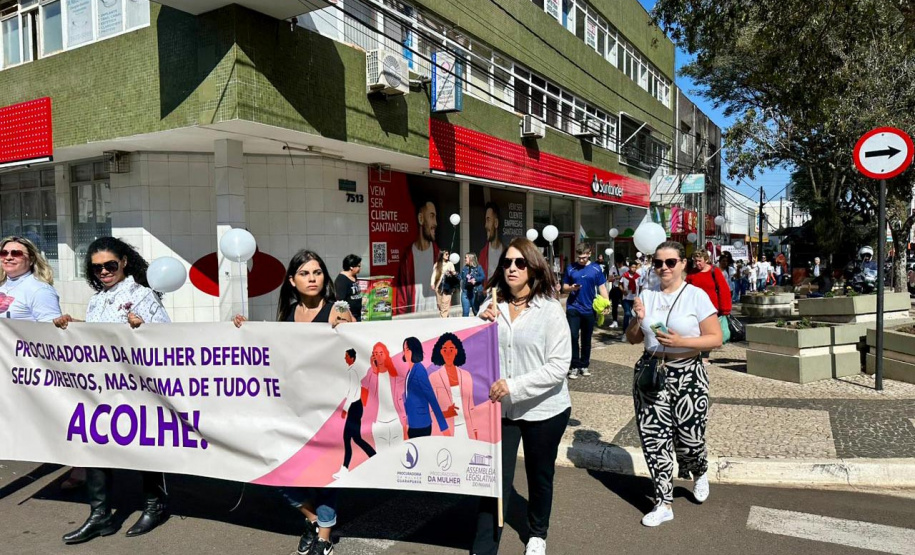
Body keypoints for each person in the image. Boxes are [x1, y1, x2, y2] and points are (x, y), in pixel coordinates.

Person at [233, 249, 352, 555]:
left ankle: (324, 539)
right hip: (293, 408)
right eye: (304, 273)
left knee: (326, 476)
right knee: (280, 470)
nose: (312, 279)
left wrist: (348, 326)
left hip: (329, 408)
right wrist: (245, 330)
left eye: (317, 272)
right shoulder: (287, 314)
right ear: (292, 280)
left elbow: (355, 353)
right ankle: (314, 521)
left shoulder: (337, 310)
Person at [53, 237, 171, 544]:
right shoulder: (97, 298)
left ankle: (154, 505)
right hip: (103, 386)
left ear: (124, 262)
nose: (104, 271)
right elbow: (97, 333)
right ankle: (100, 516)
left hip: (137, 386)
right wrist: (73, 324)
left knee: (146, 445)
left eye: (110, 265)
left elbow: (167, 339)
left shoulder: (143, 295)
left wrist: (142, 326)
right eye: (97, 268)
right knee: (95, 444)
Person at [473, 237, 572, 555]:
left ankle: (537, 533)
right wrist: (479, 323)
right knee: (493, 478)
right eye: (507, 263)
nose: (512, 268)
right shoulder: (490, 306)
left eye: (520, 263)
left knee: (539, 474)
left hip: (545, 409)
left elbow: (558, 367)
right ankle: (485, 545)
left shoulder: (550, 310)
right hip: (502, 410)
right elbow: (473, 352)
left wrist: (514, 385)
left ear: (533, 267)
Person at [625, 241, 722, 527]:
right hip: (652, 372)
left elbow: (715, 338)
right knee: (655, 439)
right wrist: (636, 319)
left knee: (690, 440)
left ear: (682, 264)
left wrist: (682, 342)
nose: (663, 268)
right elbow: (633, 338)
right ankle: (663, 502)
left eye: (670, 262)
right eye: (658, 263)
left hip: (688, 372)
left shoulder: (697, 296)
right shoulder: (647, 295)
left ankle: (699, 470)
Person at [562, 243, 609, 380]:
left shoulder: (596, 268)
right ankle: (574, 366)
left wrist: (607, 305)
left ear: (589, 254)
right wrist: (571, 288)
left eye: (583, 257)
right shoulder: (571, 268)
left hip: (589, 308)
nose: (581, 260)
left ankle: (584, 365)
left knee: (586, 339)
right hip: (573, 307)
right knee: (573, 336)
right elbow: (564, 287)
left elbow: (602, 288)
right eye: (579, 257)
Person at [333, 349, 376, 480]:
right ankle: (374, 457)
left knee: (347, 438)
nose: (345, 358)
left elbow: (353, 391)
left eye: (346, 356)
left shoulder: (352, 372)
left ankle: (345, 468)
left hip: (354, 407)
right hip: (356, 407)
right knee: (356, 438)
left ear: (351, 358)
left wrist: (345, 408)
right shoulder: (352, 371)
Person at [429, 332, 480, 439]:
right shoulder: (434, 378)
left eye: (451, 349)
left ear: (456, 351)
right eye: (445, 350)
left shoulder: (466, 376)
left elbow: (471, 408)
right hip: (444, 432)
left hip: (466, 430)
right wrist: (446, 413)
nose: (448, 353)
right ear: (440, 352)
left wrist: (475, 433)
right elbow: (429, 412)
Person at [686, 250, 733, 366]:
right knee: (696, 332)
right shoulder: (692, 273)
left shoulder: (714, 271)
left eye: (699, 261)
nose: (697, 264)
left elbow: (723, 289)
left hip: (711, 308)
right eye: (695, 261)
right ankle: (695, 354)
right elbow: (686, 289)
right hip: (695, 307)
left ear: (706, 260)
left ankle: (704, 357)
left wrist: (725, 308)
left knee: (708, 333)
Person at [0, 236, 61, 322]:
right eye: (4, 253)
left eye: (16, 253)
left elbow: (50, 330)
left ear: (31, 259)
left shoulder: (40, 290)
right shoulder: (2, 284)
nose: (8, 257)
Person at [394, 198, 439, 315]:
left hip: (438, 319)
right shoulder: (407, 258)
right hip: (415, 321)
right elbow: (401, 297)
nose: (435, 223)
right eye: (432, 216)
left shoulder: (439, 255)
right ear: (421, 219)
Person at [402, 336, 449, 438]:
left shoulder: (419, 370)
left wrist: (443, 426)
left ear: (415, 350)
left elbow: (431, 397)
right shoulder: (410, 371)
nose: (405, 352)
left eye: (407, 349)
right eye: (404, 349)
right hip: (413, 421)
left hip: (421, 424)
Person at [363, 342, 407, 451]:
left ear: (386, 354)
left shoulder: (394, 373)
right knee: (381, 457)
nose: (379, 356)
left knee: (398, 454)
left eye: (381, 353)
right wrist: (373, 371)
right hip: (378, 423)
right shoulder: (371, 373)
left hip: (395, 421)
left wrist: (405, 422)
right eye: (376, 353)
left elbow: (402, 398)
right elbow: (367, 391)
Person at [479, 202, 504, 279]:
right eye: (485, 221)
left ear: (496, 223)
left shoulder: (506, 252)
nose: (485, 225)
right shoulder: (482, 254)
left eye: (488, 220)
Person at [335, 254, 363, 321]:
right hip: (349, 316)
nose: (360, 268)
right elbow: (341, 302)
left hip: (357, 314)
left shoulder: (354, 276)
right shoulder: (342, 280)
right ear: (351, 267)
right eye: (358, 266)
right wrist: (350, 316)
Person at [432, 249, 457, 318]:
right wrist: (432, 283)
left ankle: (443, 320)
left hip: (448, 285)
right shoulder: (437, 264)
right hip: (438, 285)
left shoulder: (450, 264)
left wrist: (451, 272)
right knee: (440, 304)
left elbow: (454, 274)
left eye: (448, 254)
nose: (448, 255)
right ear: (442, 255)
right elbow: (434, 274)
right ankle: (445, 317)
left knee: (445, 304)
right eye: (446, 254)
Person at [460, 253, 486, 317]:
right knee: (465, 313)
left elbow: (483, 277)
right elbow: (461, 277)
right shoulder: (464, 268)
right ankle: (465, 326)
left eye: (466, 257)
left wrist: (475, 279)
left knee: (476, 311)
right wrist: (454, 274)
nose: (465, 259)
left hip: (475, 292)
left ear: (471, 258)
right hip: (465, 292)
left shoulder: (478, 267)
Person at [619, 260, 641, 337]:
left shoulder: (638, 277)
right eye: (632, 267)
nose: (633, 269)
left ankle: (633, 331)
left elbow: (640, 286)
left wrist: (640, 296)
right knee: (627, 313)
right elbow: (620, 284)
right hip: (626, 298)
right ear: (629, 267)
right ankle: (624, 332)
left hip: (634, 298)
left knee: (634, 315)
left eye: (635, 267)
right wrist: (622, 290)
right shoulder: (625, 275)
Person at [607, 258, 623, 328]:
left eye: (620, 263)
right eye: (618, 263)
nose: (619, 265)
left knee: (626, 306)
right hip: (615, 288)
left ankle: (628, 320)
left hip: (623, 289)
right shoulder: (613, 268)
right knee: (614, 305)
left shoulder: (625, 269)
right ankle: (614, 321)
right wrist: (614, 278)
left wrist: (621, 277)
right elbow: (609, 279)